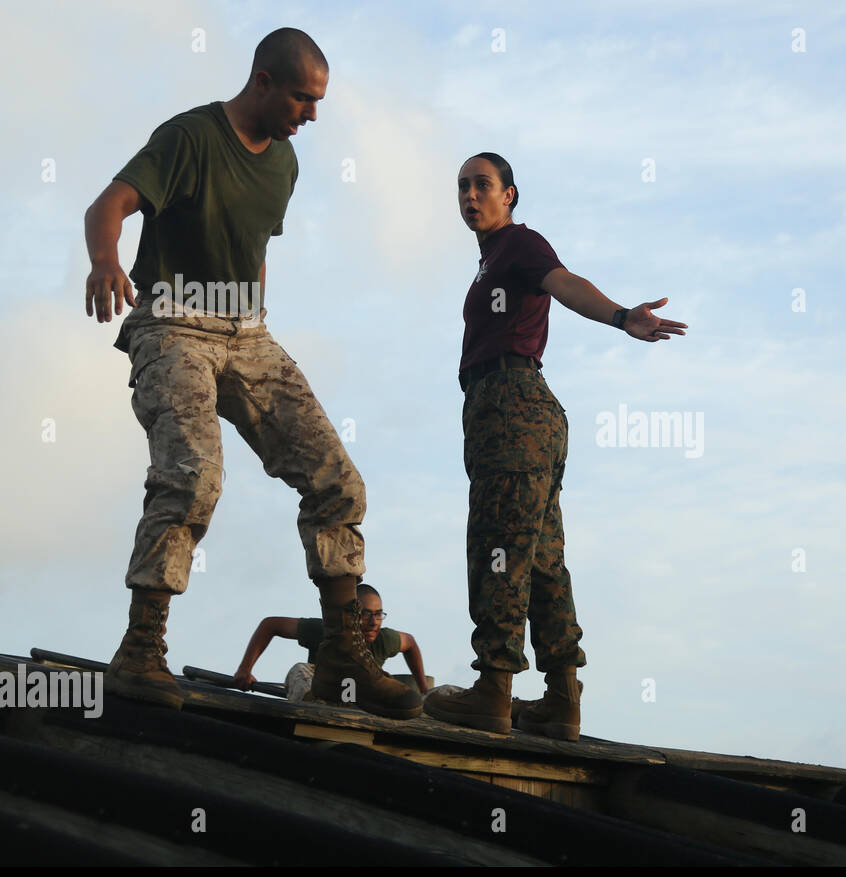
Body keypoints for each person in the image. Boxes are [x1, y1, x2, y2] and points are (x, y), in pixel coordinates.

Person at [83, 28, 421, 720]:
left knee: (337, 479)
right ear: (263, 81)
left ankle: (340, 665)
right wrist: (104, 260)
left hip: (245, 330)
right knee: (194, 474)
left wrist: (255, 315)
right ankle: (141, 647)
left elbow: (259, 243)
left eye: (319, 101)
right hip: (172, 321)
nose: (311, 114)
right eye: (302, 97)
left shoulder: (285, 164)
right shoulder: (190, 138)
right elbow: (108, 204)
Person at [423, 152, 687, 739]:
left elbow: (563, 282)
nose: (470, 194)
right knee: (541, 553)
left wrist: (621, 317)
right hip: (516, 408)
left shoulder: (519, 244)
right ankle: (561, 699)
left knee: (499, 543)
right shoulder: (490, 258)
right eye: (462, 186)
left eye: (482, 185)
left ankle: (494, 689)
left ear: (510, 194)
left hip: (512, 404)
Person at [232, 584, 429, 702]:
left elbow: (409, 642)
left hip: (360, 697)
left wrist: (423, 690)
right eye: (365, 614)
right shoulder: (326, 631)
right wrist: (244, 669)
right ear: (351, 615)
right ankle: (312, 704)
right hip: (325, 694)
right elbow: (271, 625)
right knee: (300, 670)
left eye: (378, 615)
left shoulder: (384, 639)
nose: (373, 622)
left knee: (437, 694)